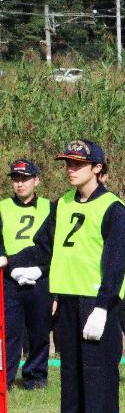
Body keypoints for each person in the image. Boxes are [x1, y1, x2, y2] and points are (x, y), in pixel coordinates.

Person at [24, 141, 125, 413]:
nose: (71, 169)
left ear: (97, 168)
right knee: (71, 374)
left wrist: (102, 305)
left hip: (95, 303)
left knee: (98, 373)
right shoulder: (63, 204)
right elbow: (44, 246)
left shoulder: (113, 208)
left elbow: (115, 261)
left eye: (78, 164)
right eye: (67, 163)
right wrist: (14, 262)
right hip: (67, 301)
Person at [2, 158, 52, 390]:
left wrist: (42, 269)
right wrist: (8, 266)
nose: (20, 184)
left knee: (40, 330)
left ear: (36, 180)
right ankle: (7, 377)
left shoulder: (50, 208)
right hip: (9, 278)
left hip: (40, 277)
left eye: (25, 179)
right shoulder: (2, 207)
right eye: (16, 179)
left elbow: (53, 245)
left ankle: (36, 376)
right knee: (10, 330)